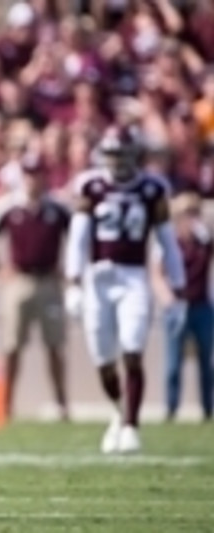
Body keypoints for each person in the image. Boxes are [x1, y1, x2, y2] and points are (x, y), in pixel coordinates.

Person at [63, 125, 187, 453]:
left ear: (135, 155)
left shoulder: (152, 188)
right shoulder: (90, 185)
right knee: (103, 359)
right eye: (112, 154)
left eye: (122, 154)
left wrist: (179, 290)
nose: (117, 161)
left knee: (132, 350)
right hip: (98, 279)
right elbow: (78, 238)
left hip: (134, 277)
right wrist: (73, 282)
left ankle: (131, 424)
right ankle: (119, 412)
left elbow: (167, 242)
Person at [0, 156, 71, 421]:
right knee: (12, 346)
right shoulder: (8, 207)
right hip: (19, 280)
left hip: (49, 281)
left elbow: (79, 236)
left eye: (38, 174)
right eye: (29, 174)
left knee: (55, 345)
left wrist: (68, 268)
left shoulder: (56, 208)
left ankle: (61, 403)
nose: (34, 180)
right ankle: (7, 405)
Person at [151, 192, 214, 421]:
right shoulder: (168, 242)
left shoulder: (204, 241)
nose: (190, 218)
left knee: (207, 362)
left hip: (202, 306)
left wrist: (206, 238)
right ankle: (171, 409)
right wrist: (169, 300)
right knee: (172, 364)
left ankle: (208, 409)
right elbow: (157, 274)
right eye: (186, 213)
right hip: (177, 305)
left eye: (194, 213)